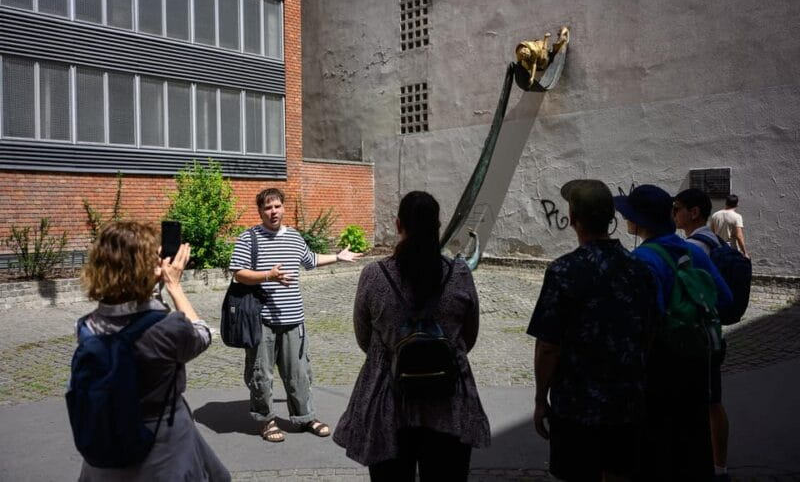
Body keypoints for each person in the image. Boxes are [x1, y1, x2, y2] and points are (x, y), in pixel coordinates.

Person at [333, 191, 490, 481]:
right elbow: (469, 336)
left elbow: (364, 337)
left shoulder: (374, 275)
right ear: (438, 226)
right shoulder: (459, 274)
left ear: (397, 225)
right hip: (448, 401)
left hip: (389, 402)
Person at [77, 221, 229, 481]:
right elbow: (201, 335)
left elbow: (130, 305)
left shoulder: (88, 326)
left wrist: (152, 282)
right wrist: (174, 286)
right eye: (154, 259)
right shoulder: (167, 328)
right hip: (163, 443)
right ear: (142, 269)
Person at [527, 180, 657, 482]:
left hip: (576, 407)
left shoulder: (563, 271)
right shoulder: (639, 270)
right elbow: (650, 332)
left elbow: (548, 345)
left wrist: (539, 399)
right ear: (611, 219)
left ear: (572, 219)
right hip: (626, 403)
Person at [614, 185, 733, 482]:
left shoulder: (641, 260)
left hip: (658, 371)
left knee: (656, 453)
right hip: (697, 364)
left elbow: (641, 325)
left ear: (639, 221)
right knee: (692, 444)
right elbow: (726, 301)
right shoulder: (693, 251)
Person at [229, 187, 362, 443]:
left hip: (294, 320)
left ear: (283, 207)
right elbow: (238, 273)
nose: (273, 211)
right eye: (267, 207)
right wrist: (269, 275)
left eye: (277, 206)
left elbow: (310, 259)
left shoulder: (294, 237)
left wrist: (337, 256)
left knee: (299, 372)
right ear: (260, 211)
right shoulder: (249, 238)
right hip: (261, 321)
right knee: (261, 374)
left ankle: (305, 417)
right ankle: (266, 420)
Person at [673, 188, 731, 482]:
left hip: (697, 337)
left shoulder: (695, 247)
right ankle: (719, 466)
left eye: (677, 208)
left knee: (695, 404)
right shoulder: (715, 239)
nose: (673, 214)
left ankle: (701, 466)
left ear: (693, 212)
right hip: (713, 332)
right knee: (713, 402)